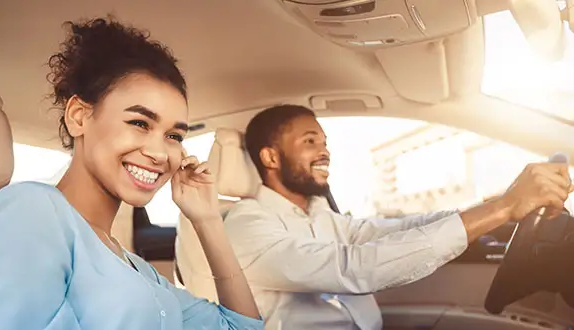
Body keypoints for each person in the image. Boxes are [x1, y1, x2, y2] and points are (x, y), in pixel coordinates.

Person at [0, 17, 263, 330]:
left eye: (174, 136)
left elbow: (242, 327)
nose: (159, 152)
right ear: (79, 117)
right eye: (139, 123)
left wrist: (207, 220)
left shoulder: (136, 268)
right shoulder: (31, 211)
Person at [222, 104, 573, 330]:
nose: (325, 150)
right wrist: (504, 208)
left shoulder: (318, 215)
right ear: (270, 157)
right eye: (310, 141)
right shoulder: (245, 225)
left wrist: (496, 209)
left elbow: (394, 229)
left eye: (324, 141)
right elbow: (352, 268)